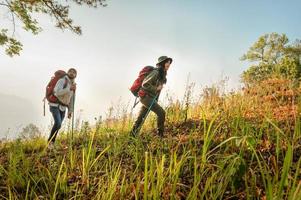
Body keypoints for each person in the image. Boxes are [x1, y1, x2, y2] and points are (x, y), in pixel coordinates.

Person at [131, 56, 172, 137]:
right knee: (161, 113)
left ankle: (132, 136)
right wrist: (156, 88)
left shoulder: (162, 75)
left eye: (170, 63)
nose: (169, 64)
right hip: (146, 97)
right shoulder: (156, 72)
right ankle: (160, 135)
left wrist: (155, 98)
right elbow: (145, 84)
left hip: (149, 98)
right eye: (167, 62)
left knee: (141, 118)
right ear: (162, 63)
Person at [47, 68, 77, 147]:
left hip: (63, 107)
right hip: (54, 105)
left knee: (58, 125)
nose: (72, 73)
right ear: (67, 73)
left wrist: (70, 111)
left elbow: (72, 99)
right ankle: (50, 142)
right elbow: (57, 92)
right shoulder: (62, 80)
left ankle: (52, 142)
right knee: (58, 123)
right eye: (70, 71)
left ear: (75, 76)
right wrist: (69, 89)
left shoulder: (73, 85)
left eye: (74, 72)